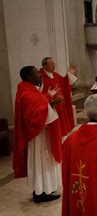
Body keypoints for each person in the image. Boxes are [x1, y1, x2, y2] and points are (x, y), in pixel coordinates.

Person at [13, 66, 63, 203]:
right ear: (29, 77)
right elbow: (33, 118)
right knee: (42, 163)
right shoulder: (27, 94)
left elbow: (38, 106)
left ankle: (46, 188)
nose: (40, 76)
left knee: (44, 164)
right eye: (36, 74)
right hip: (38, 137)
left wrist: (50, 101)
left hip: (41, 134)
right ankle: (41, 193)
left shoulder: (28, 91)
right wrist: (51, 104)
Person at [39, 57, 77, 137]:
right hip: (52, 106)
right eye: (51, 64)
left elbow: (64, 82)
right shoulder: (40, 77)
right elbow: (39, 94)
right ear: (44, 66)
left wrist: (70, 74)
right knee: (54, 132)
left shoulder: (55, 75)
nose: (54, 65)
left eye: (54, 63)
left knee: (61, 130)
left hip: (60, 105)